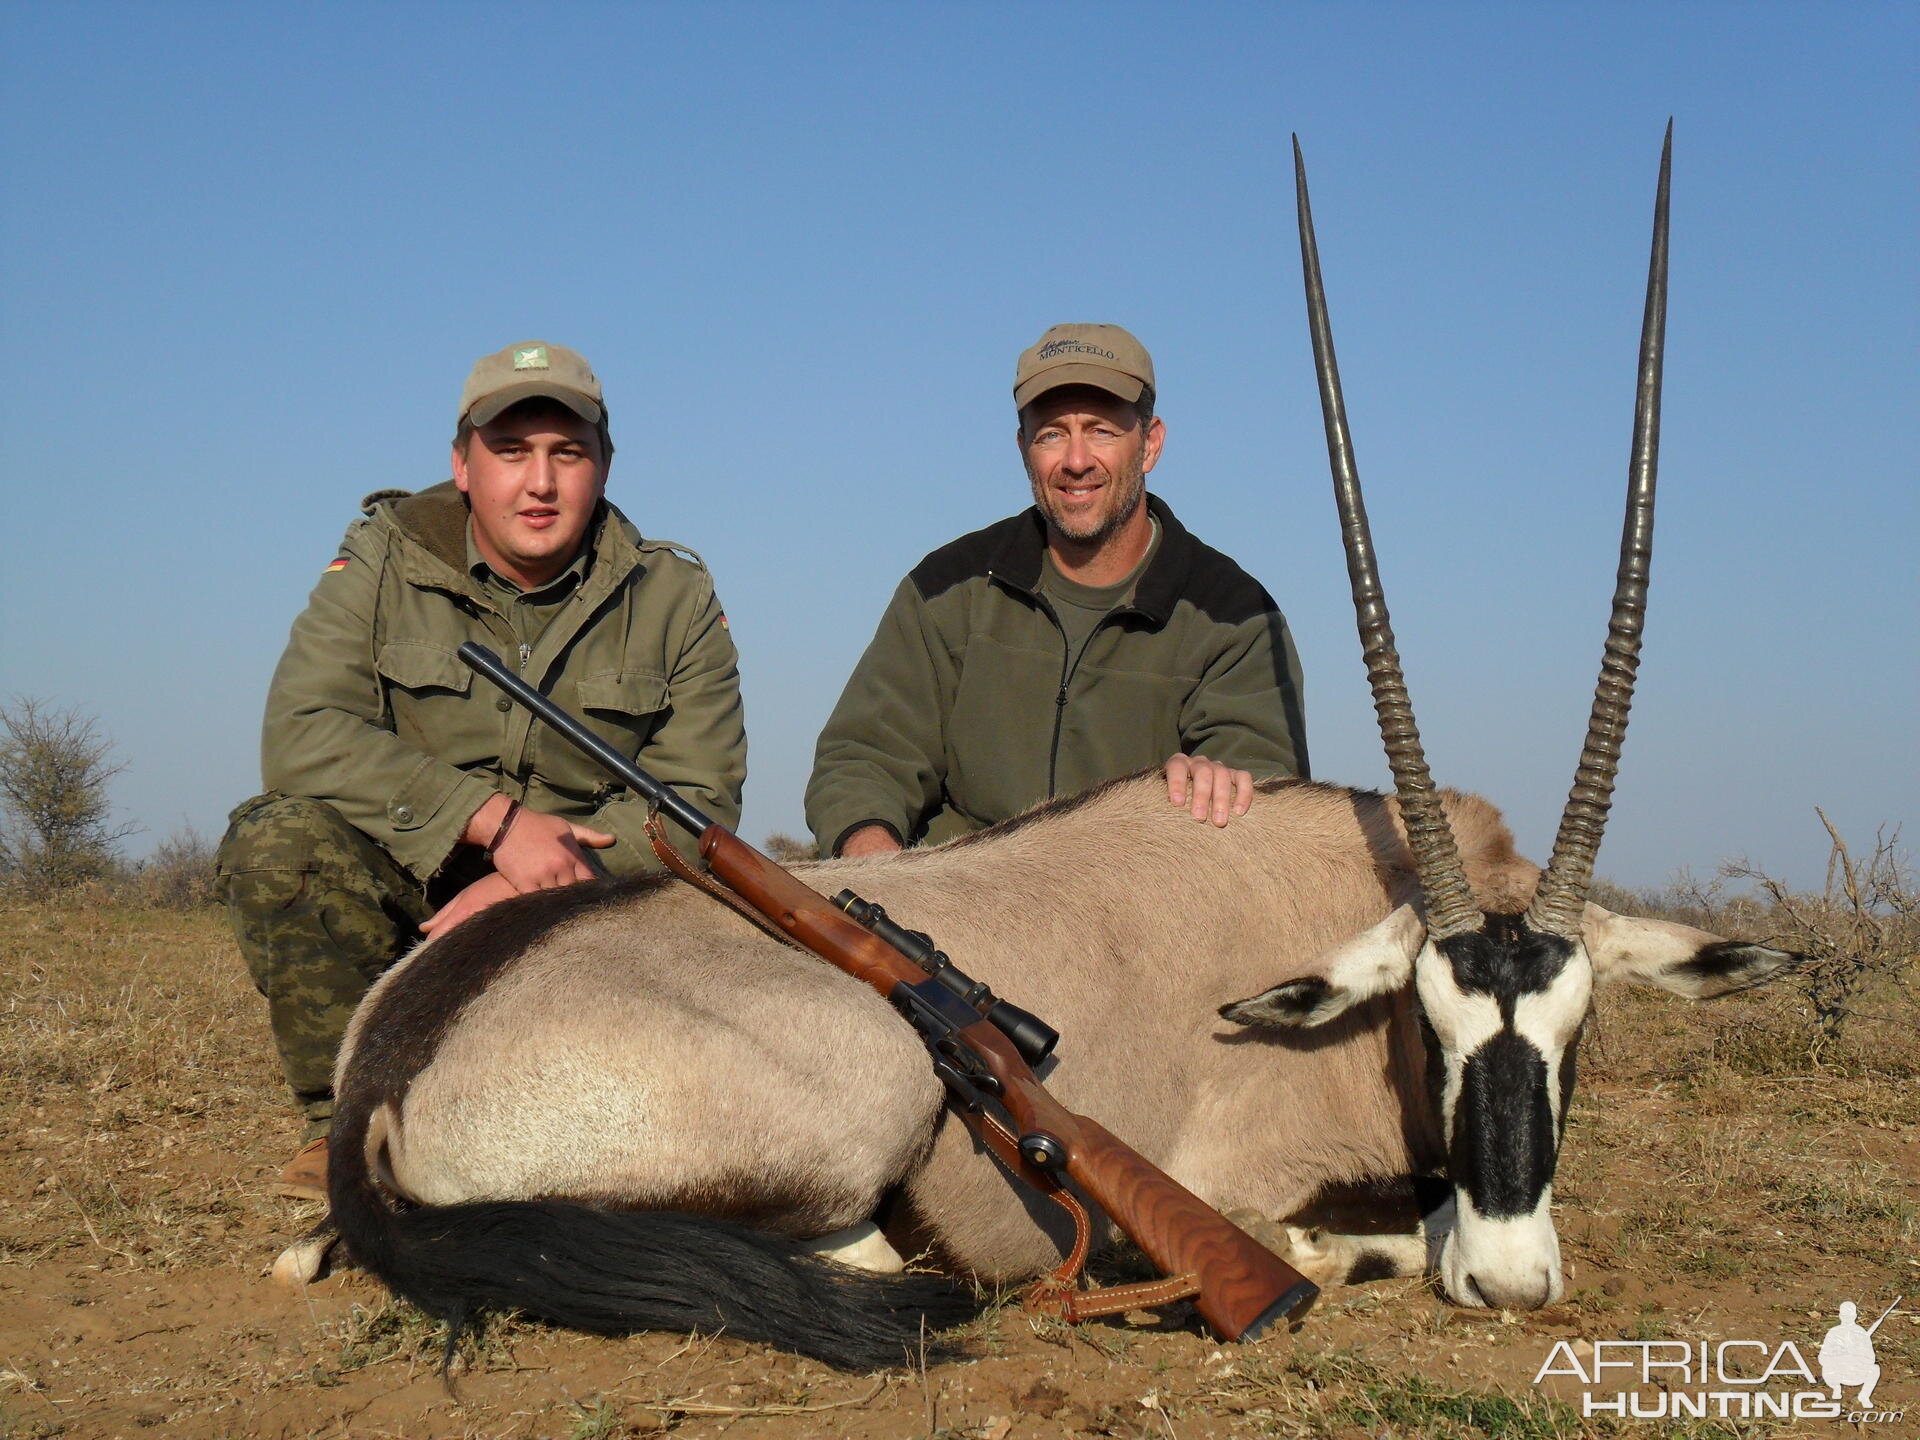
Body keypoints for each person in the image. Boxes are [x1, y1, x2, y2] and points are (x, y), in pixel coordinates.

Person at [217, 340, 746, 1199]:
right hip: (418, 889)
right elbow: (301, 731)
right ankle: (344, 1128)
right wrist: (495, 824)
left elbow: (698, 801)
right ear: (462, 465)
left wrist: (542, 881)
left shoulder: (675, 595)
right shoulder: (381, 557)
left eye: (566, 453)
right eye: (510, 451)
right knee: (276, 840)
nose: (539, 483)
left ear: (603, 468)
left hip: (586, 905)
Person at [806, 323, 1307, 858]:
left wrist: (1223, 787)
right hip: (950, 908)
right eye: (1051, 434)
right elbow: (863, 756)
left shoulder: (1236, 615)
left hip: (1135, 915)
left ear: (1151, 444)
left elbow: (1262, 783)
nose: (1075, 461)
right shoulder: (946, 587)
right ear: (1024, 448)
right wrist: (874, 855)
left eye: (1101, 431)